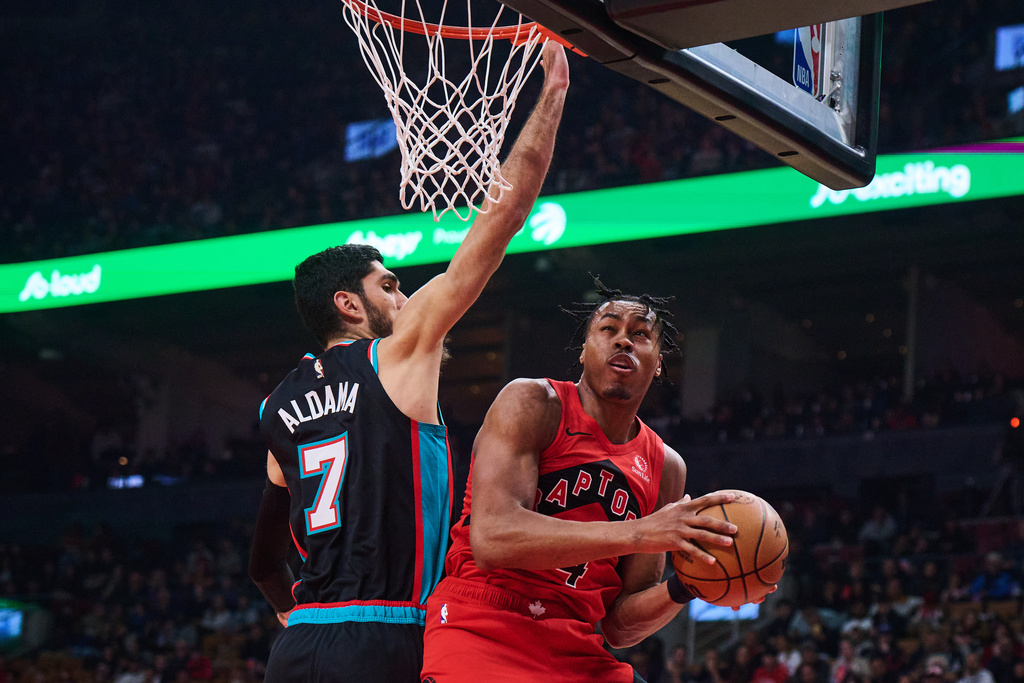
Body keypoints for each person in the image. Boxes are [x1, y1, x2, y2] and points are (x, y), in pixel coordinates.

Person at [246, 41, 570, 683]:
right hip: (389, 634)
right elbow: (499, 222)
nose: (403, 293)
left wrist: (296, 623)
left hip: (298, 649)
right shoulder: (395, 354)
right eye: (389, 285)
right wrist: (553, 97)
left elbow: (261, 564)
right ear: (349, 303)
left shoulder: (276, 406)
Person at [420, 281, 755, 682]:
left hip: (575, 644)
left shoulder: (665, 466)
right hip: (484, 625)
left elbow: (620, 626)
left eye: (640, 335)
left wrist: (688, 585)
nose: (624, 342)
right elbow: (493, 539)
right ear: (583, 351)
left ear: (659, 362)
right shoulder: (533, 403)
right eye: (608, 329)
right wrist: (640, 532)